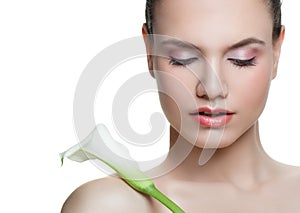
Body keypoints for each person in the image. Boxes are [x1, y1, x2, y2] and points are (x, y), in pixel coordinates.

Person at [61, 0, 300, 212]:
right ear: (150, 52)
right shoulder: (109, 205)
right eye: (182, 58)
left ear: (276, 52)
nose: (212, 88)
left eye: (242, 59)